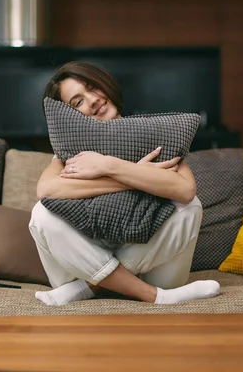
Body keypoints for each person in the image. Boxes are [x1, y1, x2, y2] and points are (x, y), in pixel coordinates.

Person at [28, 61, 220, 306]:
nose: (92, 100)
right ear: (68, 116)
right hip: (81, 264)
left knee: (190, 207)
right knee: (42, 214)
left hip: (149, 266)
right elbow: (47, 191)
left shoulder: (151, 134)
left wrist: (110, 166)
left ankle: (88, 288)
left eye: (92, 88)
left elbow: (185, 190)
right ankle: (153, 296)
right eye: (78, 102)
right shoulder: (71, 148)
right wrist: (136, 178)